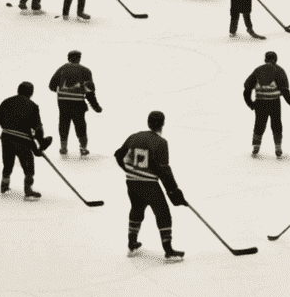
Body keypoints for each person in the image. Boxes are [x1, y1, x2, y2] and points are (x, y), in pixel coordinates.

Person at [117, 111, 187, 260]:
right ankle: (168, 250)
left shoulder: (134, 136)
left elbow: (118, 155)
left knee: (137, 208)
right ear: (162, 124)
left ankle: (132, 243)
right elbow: (164, 171)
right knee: (163, 213)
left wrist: (129, 171)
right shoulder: (161, 143)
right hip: (148, 184)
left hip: (132, 182)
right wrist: (175, 192)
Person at [0, 81, 50, 198]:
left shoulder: (7, 101)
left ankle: (4, 184)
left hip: (6, 136)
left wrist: (4, 125)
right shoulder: (33, 106)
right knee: (28, 163)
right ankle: (28, 188)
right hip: (22, 139)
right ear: (31, 93)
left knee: (8, 161)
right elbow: (38, 128)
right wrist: (41, 142)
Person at [245, 52, 290, 158]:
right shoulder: (279, 71)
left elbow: (247, 88)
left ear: (265, 59)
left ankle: (256, 147)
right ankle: (278, 148)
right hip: (274, 102)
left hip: (260, 102)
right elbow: (285, 91)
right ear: (276, 59)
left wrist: (250, 103)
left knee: (259, 124)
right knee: (276, 124)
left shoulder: (258, 70)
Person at [50, 50, 103, 157]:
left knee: (63, 123)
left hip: (63, 102)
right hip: (78, 103)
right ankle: (83, 148)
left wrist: (63, 91)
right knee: (80, 125)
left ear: (68, 58)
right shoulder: (86, 71)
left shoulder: (62, 69)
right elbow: (90, 92)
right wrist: (96, 106)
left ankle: (63, 147)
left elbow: (51, 86)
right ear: (79, 58)